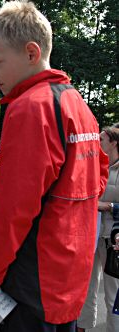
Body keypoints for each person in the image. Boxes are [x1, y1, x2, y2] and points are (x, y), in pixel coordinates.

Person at [0, 2, 109, 331]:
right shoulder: (77, 103)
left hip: (33, 278)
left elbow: (13, 209)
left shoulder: (30, 108)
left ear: (31, 53)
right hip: (68, 275)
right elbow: (96, 178)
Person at [78, 123, 119, 332]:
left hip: (113, 241)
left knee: (113, 295)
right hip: (88, 237)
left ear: (113, 143)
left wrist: (108, 206)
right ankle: (82, 328)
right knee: (85, 289)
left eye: (101, 139)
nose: (96, 142)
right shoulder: (93, 165)